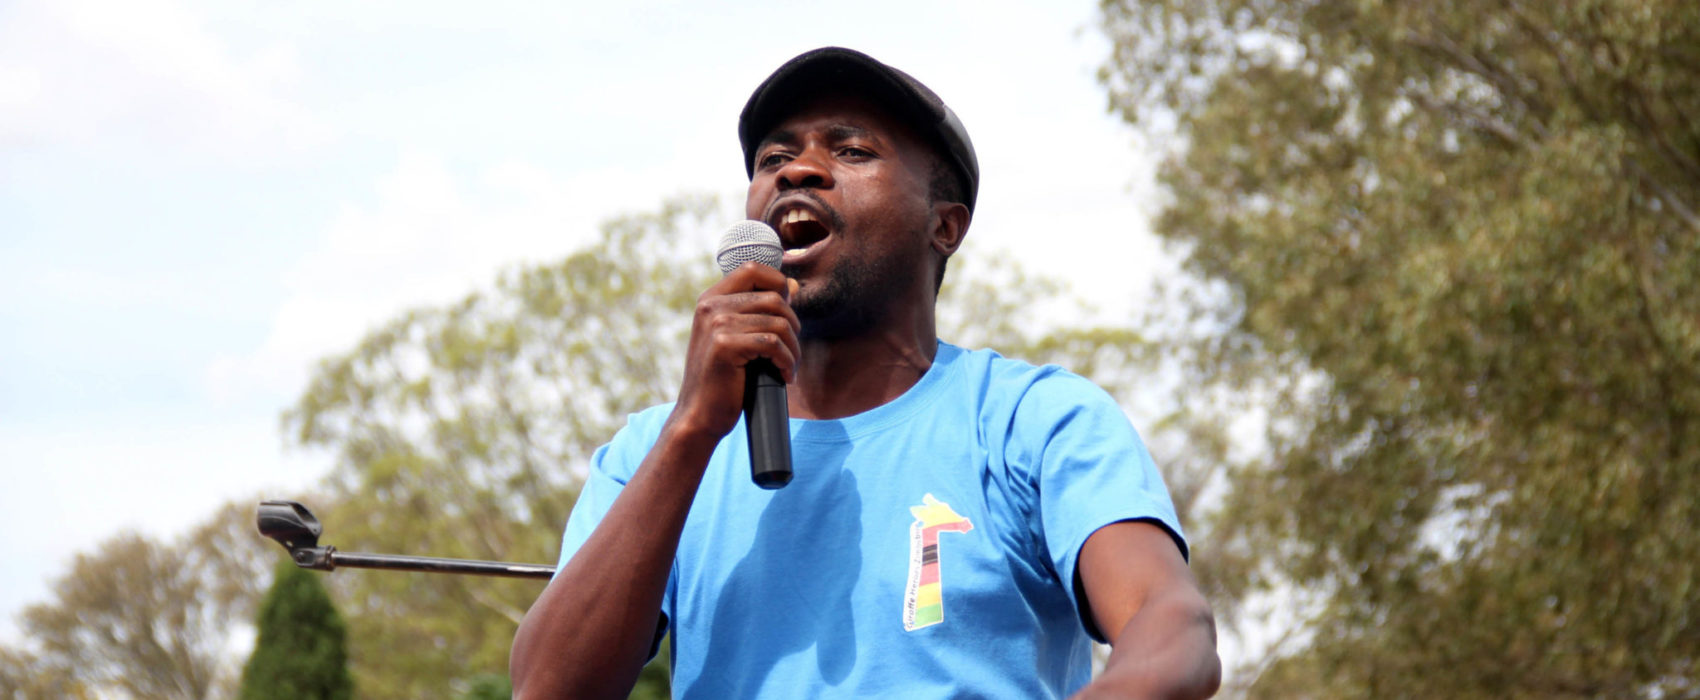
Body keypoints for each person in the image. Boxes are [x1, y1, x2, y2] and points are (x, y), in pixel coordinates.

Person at [511, 47, 1220, 699]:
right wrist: (693, 429)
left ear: (944, 226)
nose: (797, 169)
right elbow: (545, 689)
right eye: (773, 158)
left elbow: (1172, 626)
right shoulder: (650, 453)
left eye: (851, 150)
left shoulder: (1030, 420)